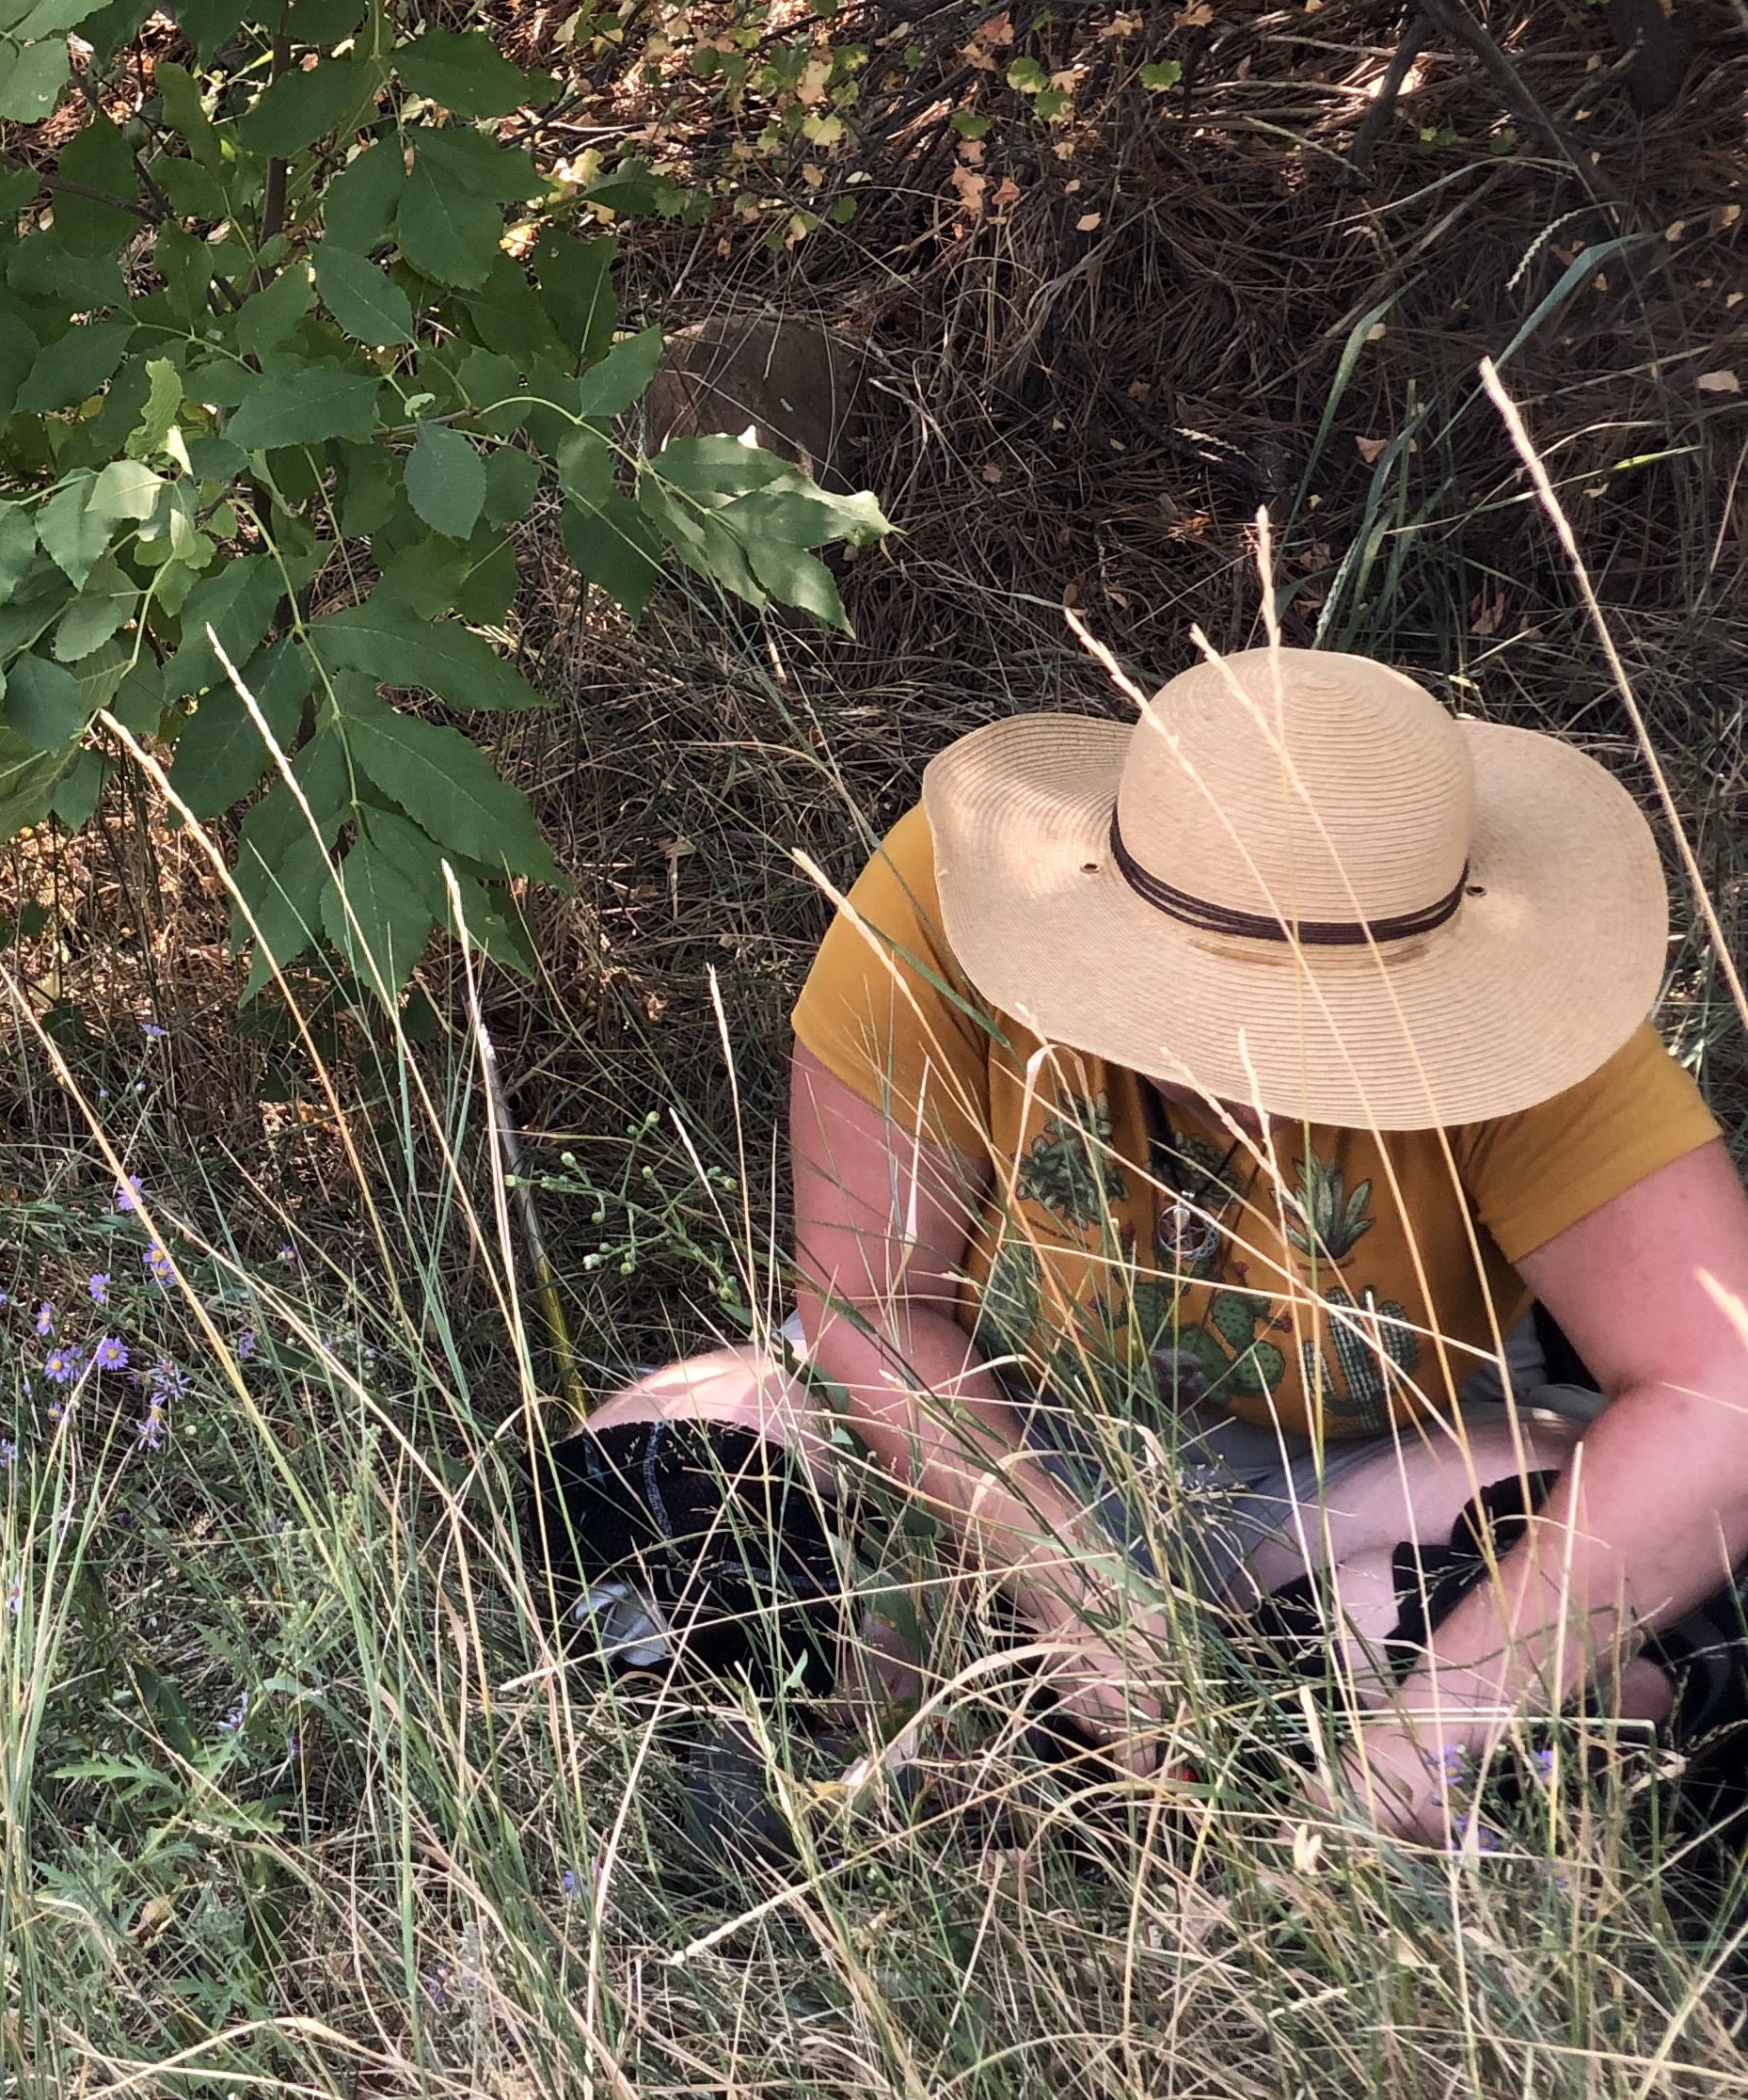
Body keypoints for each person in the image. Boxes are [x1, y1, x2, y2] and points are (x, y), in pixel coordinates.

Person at [548, 644, 1748, 1856]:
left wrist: (1424, 1738)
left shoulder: (1534, 1021)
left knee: (1609, 1649)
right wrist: (1076, 1591)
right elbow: (868, 1304)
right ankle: (1133, 1745)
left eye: (1334, 1025)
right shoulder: (951, 897)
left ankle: (998, 1754)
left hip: (1359, 1479)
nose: (1262, 1077)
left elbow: (1726, 1391)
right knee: (656, 1486)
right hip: (1003, 1428)